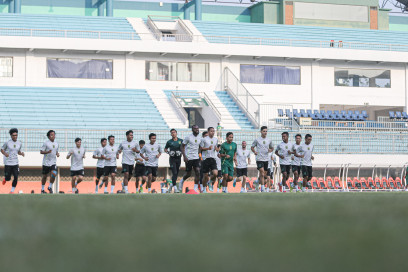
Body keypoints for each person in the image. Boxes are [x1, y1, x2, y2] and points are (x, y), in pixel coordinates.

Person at [1, 128, 24, 194]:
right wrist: (5, 154)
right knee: (8, 178)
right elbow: (2, 149)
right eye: (14, 135)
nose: (15, 136)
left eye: (16, 135)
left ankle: (12, 191)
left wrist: (21, 153)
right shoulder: (7, 143)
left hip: (15, 163)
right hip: (8, 163)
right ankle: (6, 179)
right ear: (11, 136)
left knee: (16, 176)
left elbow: (18, 151)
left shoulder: (19, 143)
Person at [179, 125, 201, 193]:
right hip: (189, 157)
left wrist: (199, 155)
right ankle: (182, 180)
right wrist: (184, 156)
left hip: (196, 157)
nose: (197, 129)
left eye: (197, 128)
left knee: (198, 171)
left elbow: (200, 147)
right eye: (195, 128)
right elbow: (182, 146)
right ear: (192, 129)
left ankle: (195, 188)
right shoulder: (188, 137)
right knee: (188, 174)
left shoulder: (200, 138)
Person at [251, 126, 273, 193]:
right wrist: (254, 152)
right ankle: (262, 188)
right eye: (264, 131)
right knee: (262, 173)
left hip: (266, 159)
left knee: (264, 175)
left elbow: (272, 148)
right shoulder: (257, 140)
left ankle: (258, 181)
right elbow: (252, 147)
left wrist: (270, 150)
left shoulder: (269, 140)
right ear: (261, 132)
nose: (265, 132)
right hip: (259, 158)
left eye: (266, 131)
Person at [40, 130, 60, 194]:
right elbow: (41, 151)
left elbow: (56, 151)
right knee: (44, 176)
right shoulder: (46, 143)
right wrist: (47, 152)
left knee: (54, 173)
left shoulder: (57, 144)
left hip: (53, 162)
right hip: (46, 162)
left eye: (54, 134)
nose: (53, 136)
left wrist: (57, 154)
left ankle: (50, 186)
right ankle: (42, 189)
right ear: (48, 136)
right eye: (51, 135)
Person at [200, 127, 219, 193]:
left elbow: (215, 147)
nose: (212, 132)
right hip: (205, 158)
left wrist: (216, 149)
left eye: (213, 131)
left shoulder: (216, 139)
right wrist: (208, 148)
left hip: (213, 158)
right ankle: (204, 188)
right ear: (208, 132)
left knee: (215, 173)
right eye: (211, 131)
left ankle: (210, 182)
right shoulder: (204, 139)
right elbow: (201, 148)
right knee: (205, 176)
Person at [164, 129, 182, 193]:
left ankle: (171, 185)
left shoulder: (180, 141)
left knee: (176, 173)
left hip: (179, 159)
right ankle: (175, 188)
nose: (173, 134)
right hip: (172, 159)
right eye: (172, 133)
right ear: (171, 134)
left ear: (176, 133)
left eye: (174, 132)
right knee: (174, 172)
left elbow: (184, 148)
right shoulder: (169, 142)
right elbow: (165, 149)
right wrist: (169, 152)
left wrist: (181, 152)